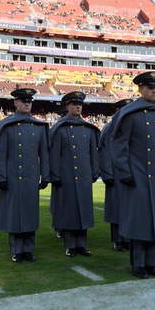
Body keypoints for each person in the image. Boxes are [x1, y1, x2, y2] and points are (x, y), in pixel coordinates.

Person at [111, 71, 155, 279]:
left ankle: (152, 263)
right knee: (140, 222)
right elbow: (119, 147)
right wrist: (124, 172)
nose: (154, 91)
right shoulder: (130, 113)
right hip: (137, 177)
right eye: (149, 87)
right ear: (139, 89)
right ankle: (137, 263)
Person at [0, 88, 50, 262]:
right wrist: (0, 177)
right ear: (15, 103)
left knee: (30, 214)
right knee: (15, 215)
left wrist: (45, 176)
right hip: (12, 177)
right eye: (23, 101)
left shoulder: (39, 127)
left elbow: (44, 154)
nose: (27, 104)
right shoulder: (6, 125)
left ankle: (29, 249)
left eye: (29, 101)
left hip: (31, 178)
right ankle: (17, 250)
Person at [48, 91, 100, 257]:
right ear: (68, 107)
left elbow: (94, 153)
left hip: (84, 176)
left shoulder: (89, 129)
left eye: (80, 104)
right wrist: (55, 176)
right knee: (69, 213)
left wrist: (94, 172)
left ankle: (82, 245)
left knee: (83, 211)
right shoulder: (60, 128)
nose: (78, 107)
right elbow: (54, 155)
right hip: (66, 177)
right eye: (74, 104)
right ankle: (70, 245)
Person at [100, 98, 131, 252]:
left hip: (131, 174)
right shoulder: (110, 128)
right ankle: (118, 240)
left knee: (130, 208)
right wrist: (107, 174)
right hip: (116, 174)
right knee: (116, 209)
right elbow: (104, 152)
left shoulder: (131, 126)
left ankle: (127, 238)